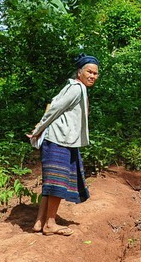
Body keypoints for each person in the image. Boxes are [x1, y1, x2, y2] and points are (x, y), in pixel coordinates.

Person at [27, 53, 99, 236]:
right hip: (58, 140)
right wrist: (38, 129)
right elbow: (54, 109)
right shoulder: (76, 88)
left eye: (95, 73)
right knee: (58, 182)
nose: (92, 76)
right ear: (80, 72)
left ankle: (39, 221)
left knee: (52, 182)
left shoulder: (76, 88)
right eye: (89, 72)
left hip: (63, 140)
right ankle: (50, 224)